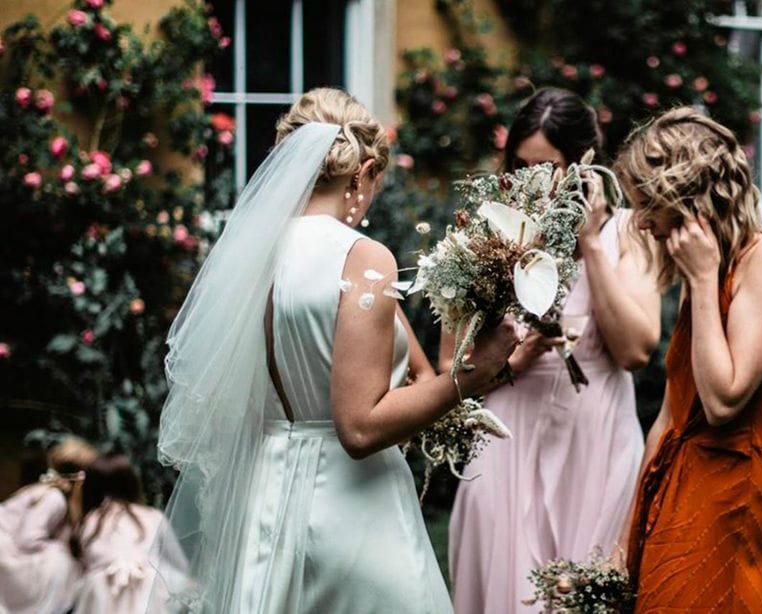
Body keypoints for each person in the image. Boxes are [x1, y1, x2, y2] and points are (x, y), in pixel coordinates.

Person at [152, 88, 517, 613]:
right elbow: (360, 426)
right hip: (349, 512)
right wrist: (472, 375)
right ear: (363, 170)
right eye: (374, 182)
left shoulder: (251, 255)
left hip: (266, 496)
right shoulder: (361, 258)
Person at [444, 88, 662, 613]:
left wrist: (590, 243)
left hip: (596, 436)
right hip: (507, 432)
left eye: (549, 168)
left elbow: (635, 350)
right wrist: (512, 359)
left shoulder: (627, 233)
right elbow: (448, 371)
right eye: (521, 168)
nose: (533, 184)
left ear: (586, 165)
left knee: (582, 594)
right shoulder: (487, 236)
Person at [615, 107, 762, 612]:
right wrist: (625, 539)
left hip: (726, 505)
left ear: (686, 198)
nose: (640, 221)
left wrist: (704, 283)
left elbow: (724, 401)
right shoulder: (704, 270)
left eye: (648, 205)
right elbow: (667, 417)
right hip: (670, 493)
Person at [72, 453, 188, 613]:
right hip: (148, 591)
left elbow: (82, 564)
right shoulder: (153, 516)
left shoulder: (89, 522)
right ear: (132, 483)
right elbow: (178, 562)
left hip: (102, 595)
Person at [0, 436, 97, 614]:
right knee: (63, 562)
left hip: (8, 548)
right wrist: (60, 549)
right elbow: (28, 539)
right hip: (6, 554)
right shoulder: (54, 498)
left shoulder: (44, 491)